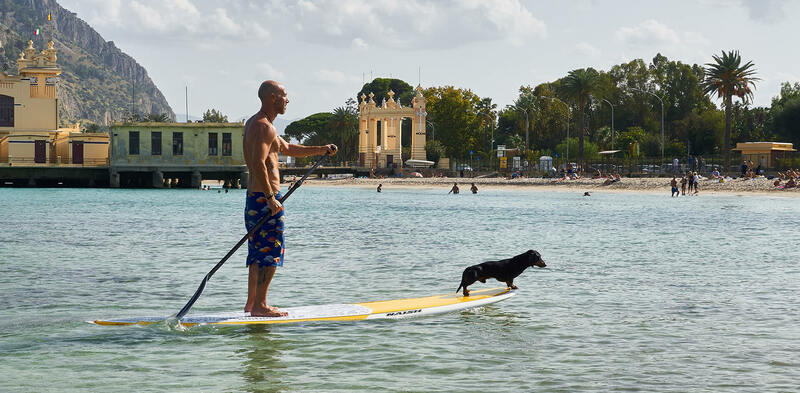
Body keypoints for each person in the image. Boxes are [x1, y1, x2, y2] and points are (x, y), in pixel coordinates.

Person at [243, 80, 337, 317]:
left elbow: (287, 149)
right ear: (272, 98)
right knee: (270, 251)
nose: (288, 100)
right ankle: (260, 306)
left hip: (254, 198)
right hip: (266, 199)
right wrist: (270, 198)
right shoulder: (264, 127)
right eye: (284, 95)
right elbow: (258, 163)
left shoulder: (258, 124)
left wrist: (321, 149)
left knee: (257, 252)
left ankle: (252, 303)